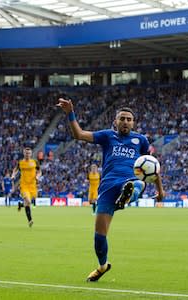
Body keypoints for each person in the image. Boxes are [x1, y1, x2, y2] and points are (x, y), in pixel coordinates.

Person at [56, 98, 164, 282]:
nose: (125, 122)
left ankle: (128, 195)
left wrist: (160, 190)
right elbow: (79, 134)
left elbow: (152, 167)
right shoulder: (107, 136)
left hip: (130, 179)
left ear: (133, 122)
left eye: (129, 119)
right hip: (107, 186)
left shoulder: (141, 140)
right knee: (99, 237)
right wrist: (70, 113)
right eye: (122, 118)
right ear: (115, 121)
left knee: (136, 184)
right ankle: (102, 266)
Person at [12, 146, 41, 227]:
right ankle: (30, 220)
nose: (27, 154)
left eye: (29, 153)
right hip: (24, 185)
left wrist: (37, 177)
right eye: (26, 153)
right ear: (23, 153)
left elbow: (39, 171)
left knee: (28, 202)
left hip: (33, 185)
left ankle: (21, 205)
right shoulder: (20, 162)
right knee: (28, 201)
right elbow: (15, 169)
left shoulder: (35, 162)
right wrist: (13, 175)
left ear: (31, 154)